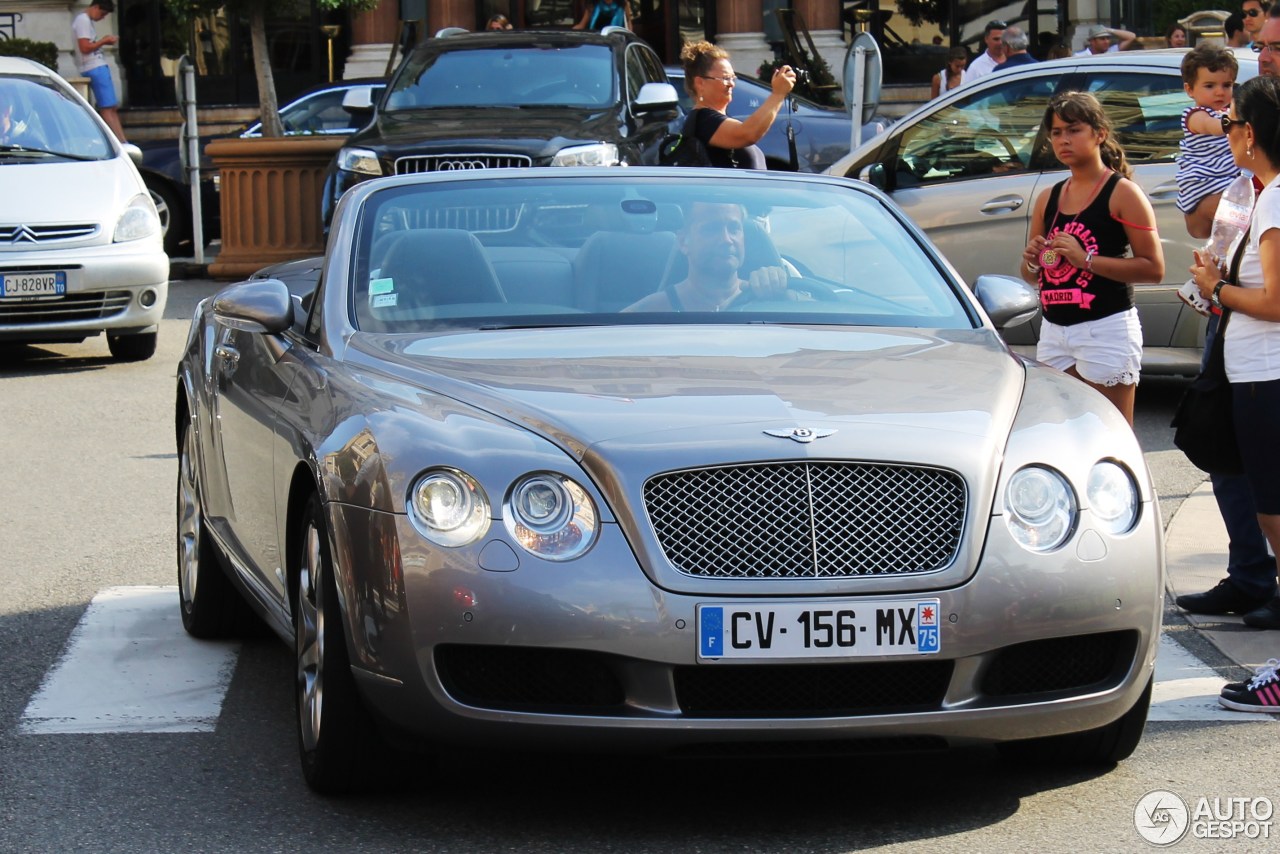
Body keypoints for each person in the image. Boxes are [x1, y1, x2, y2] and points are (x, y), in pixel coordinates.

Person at [1177, 18, 1280, 630]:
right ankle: (1250, 576)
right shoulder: (1252, 181)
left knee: (1272, 487)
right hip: (1237, 336)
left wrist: (1221, 287)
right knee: (1232, 456)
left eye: (1274, 47)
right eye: (1261, 46)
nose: (1263, 56)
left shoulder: (1269, 186)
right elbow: (1197, 220)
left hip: (1264, 345)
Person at [1018, 92, 1164, 425]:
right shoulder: (1048, 197)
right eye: (1056, 133)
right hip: (1055, 330)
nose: (1063, 140)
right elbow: (1031, 274)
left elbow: (1154, 268)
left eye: (1073, 130)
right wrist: (1032, 261)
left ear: (1099, 134)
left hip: (1105, 327)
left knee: (1110, 434)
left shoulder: (1122, 192)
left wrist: (1085, 259)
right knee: (1061, 436)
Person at [624, 202, 791, 312]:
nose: (726, 239)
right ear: (683, 242)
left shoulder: (772, 301)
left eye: (734, 228)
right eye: (712, 228)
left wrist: (784, 294)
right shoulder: (648, 314)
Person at [678, 40, 795, 171]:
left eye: (733, 78)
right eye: (725, 78)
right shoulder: (703, 121)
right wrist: (778, 94)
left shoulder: (712, 119)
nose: (731, 84)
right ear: (700, 83)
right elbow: (748, 133)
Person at [1177, 44, 1241, 241]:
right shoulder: (1195, 115)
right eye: (1210, 86)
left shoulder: (1229, 112)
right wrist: (1231, 123)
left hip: (1228, 176)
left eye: (1227, 85)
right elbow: (1209, 125)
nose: (1220, 92)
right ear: (1189, 89)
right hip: (1208, 179)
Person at [72, 0, 125, 142]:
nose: (102, 17)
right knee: (107, 107)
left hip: (95, 65)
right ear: (95, 7)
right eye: (102, 13)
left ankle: (122, 139)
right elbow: (84, 47)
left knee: (110, 106)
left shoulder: (85, 20)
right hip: (94, 66)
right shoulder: (83, 20)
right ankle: (120, 141)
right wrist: (104, 41)